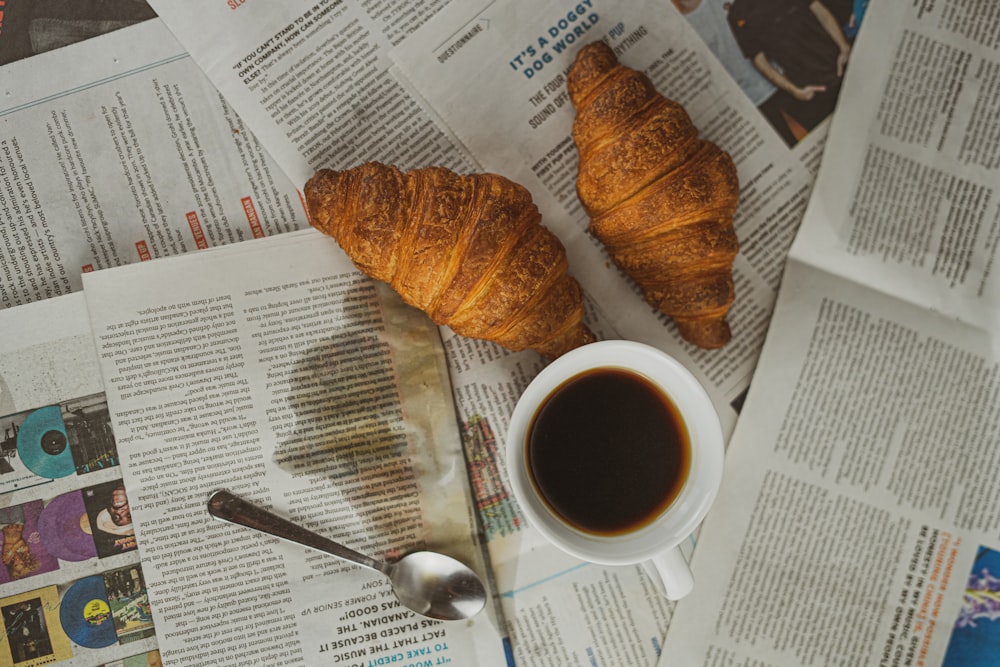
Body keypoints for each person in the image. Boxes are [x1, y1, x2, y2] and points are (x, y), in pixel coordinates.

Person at [727, 0, 852, 133]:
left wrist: (843, 47)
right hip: (809, 89)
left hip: (839, 64)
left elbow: (820, 11)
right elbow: (759, 60)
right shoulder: (737, 14)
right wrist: (794, 90)